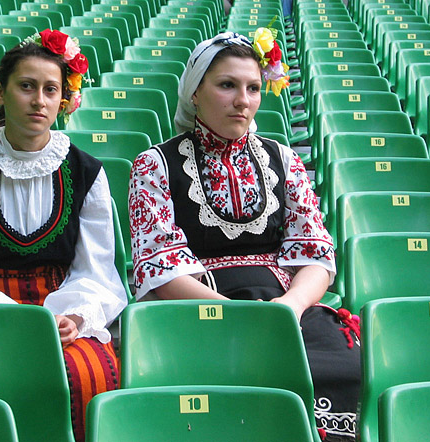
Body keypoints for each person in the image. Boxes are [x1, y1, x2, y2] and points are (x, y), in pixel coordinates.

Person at [129, 31, 360, 442]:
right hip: (200, 313)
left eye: (253, 88)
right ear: (195, 92)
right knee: (245, 377)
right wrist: (240, 316)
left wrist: (289, 307)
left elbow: (316, 254)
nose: (243, 100)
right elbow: (160, 267)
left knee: (345, 369)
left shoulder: (283, 158)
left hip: (284, 309)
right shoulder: (155, 164)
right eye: (227, 85)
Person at [0, 29, 127, 442]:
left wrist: (74, 317)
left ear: (63, 99)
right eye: (26, 86)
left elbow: (96, 268)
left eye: (51, 89)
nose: (39, 100)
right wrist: (16, 319)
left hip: (63, 307)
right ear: (1, 93)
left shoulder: (87, 173)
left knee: (86, 371)